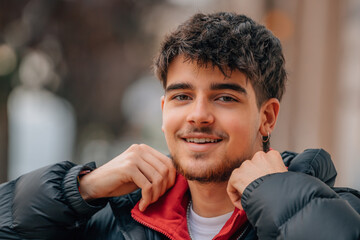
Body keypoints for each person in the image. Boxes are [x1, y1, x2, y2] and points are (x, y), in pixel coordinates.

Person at [0, 12, 359, 240]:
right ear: (163, 110)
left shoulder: (339, 210)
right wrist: (85, 187)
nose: (197, 115)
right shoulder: (115, 220)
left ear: (266, 117)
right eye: (182, 97)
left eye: (225, 98)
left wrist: (273, 193)